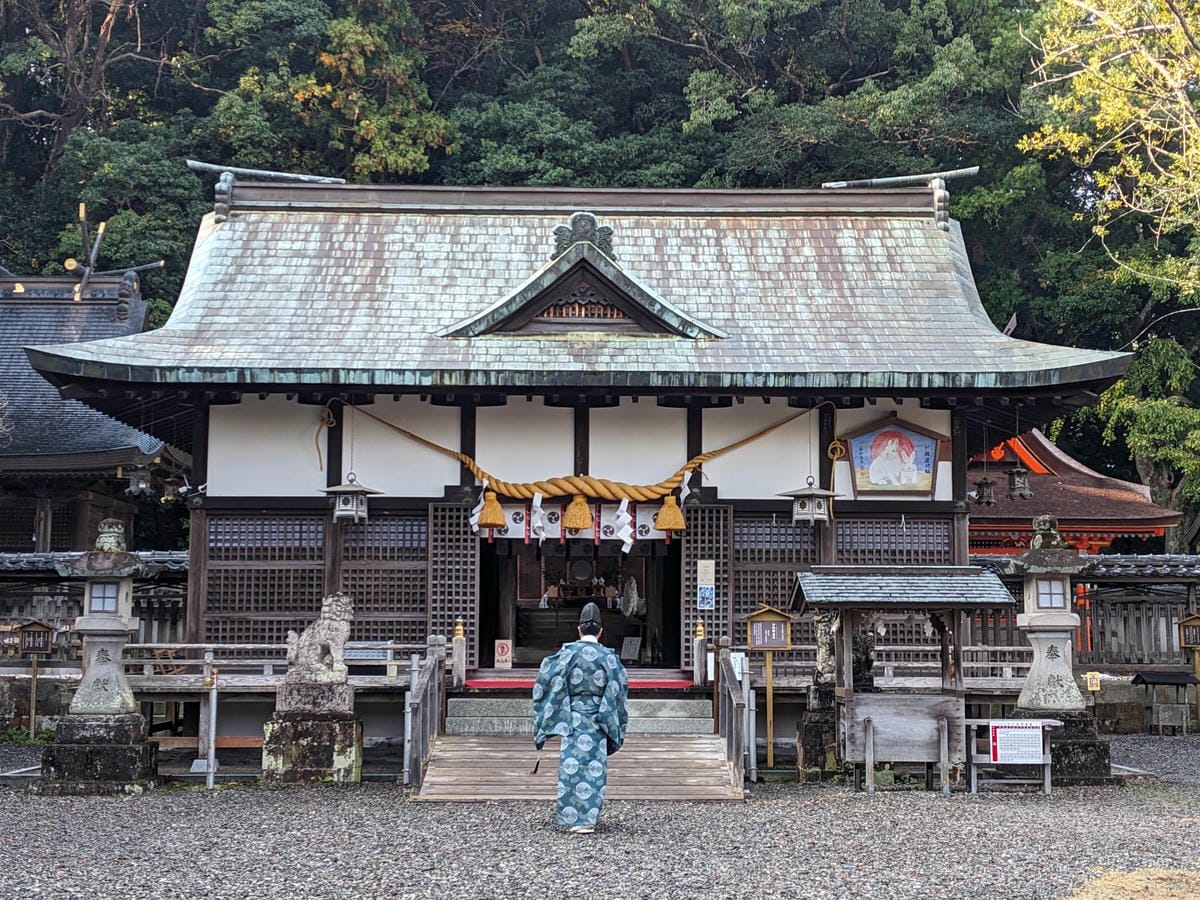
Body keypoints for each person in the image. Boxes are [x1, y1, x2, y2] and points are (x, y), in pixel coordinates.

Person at [532, 601, 629, 834]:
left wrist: (557, 712)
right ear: (600, 632)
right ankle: (589, 819)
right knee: (594, 767)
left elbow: (546, 681)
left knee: (572, 766)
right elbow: (618, 689)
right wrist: (608, 718)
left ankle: (572, 817)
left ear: (578, 630)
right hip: (598, 719)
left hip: (573, 719)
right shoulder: (608, 658)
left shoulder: (566, 655)